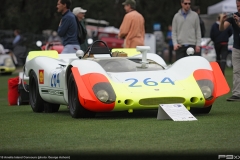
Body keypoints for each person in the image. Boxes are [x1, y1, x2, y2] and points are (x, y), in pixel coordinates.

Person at [219, 0, 240, 101]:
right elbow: (222, 29)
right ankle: (236, 94)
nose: (238, 8)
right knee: (236, 71)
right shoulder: (233, 17)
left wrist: (239, 22)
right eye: (237, 6)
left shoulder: (237, 19)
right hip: (236, 48)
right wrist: (222, 21)